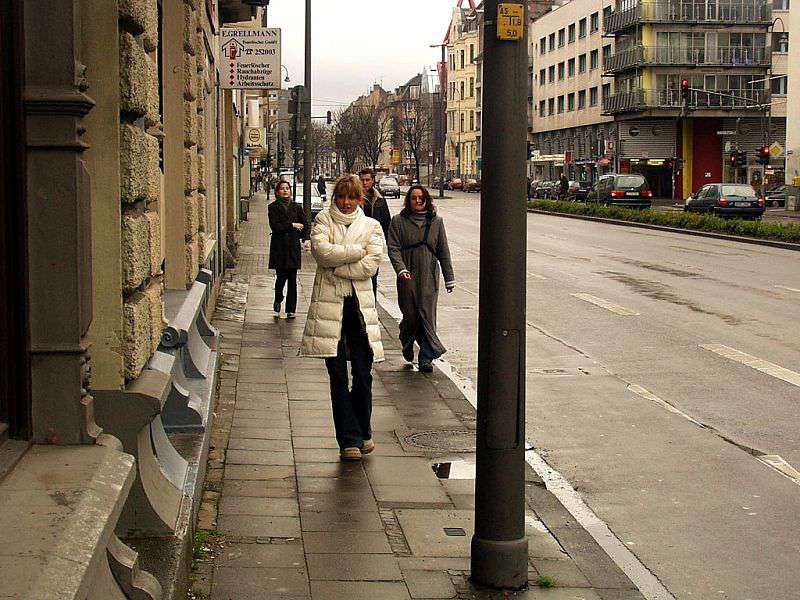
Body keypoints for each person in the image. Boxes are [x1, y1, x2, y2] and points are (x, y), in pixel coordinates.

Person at [300, 174, 386, 461]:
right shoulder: (323, 220)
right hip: (330, 308)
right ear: (335, 197)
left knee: (362, 373)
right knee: (337, 375)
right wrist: (356, 252)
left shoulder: (371, 226)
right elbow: (322, 253)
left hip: (360, 309)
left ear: (360, 199)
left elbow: (370, 265)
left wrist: (338, 266)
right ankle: (348, 439)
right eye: (341, 197)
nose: (346, 203)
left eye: (351, 197)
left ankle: (363, 430)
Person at [387, 185, 454, 373]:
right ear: (408, 200)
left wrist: (449, 278)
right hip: (407, 274)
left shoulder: (436, 222)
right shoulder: (398, 221)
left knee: (427, 315)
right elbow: (393, 248)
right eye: (414, 198)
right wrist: (401, 269)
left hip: (428, 274)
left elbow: (443, 251)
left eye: (421, 198)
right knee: (410, 315)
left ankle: (426, 357)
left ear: (426, 200)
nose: (418, 201)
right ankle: (406, 340)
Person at [268, 180, 309, 319]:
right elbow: (275, 226)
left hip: (293, 247)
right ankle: (278, 298)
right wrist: (292, 225)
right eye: (282, 188)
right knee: (281, 278)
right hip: (279, 247)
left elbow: (305, 223)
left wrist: (306, 238)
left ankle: (291, 309)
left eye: (287, 188)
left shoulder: (296, 207)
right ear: (277, 192)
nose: (285, 190)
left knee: (292, 279)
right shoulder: (273, 207)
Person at [359, 168, 391, 295]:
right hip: (357, 243)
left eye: (367, 180)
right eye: (362, 180)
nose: (365, 183)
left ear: (372, 180)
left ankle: (372, 304)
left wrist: (391, 245)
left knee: (372, 277)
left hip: (373, 244)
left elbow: (387, 223)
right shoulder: (353, 198)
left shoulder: (379, 200)